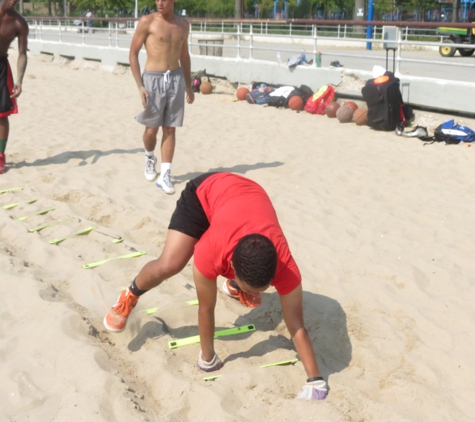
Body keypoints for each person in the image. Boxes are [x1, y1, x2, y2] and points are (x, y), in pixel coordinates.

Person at [103, 172, 329, 400]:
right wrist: (207, 359)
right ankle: (130, 295)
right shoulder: (210, 252)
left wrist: (315, 379)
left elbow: (297, 325)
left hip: (247, 195)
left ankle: (236, 287)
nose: (255, 295)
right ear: (230, 266)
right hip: (205, 193)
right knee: (170, 264)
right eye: (248, 287)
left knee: (251, 285)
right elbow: (206, 309)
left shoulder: (286, 265)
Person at [129, 0, 194, 195]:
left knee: (170, 128)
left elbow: (184, 55)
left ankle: (165, 174)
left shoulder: (183, 25)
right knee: (151, 130)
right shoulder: (147, 21)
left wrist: (189, 84)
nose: (159, 2)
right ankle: (150, 157)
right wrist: (140, 85)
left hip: (175, 78)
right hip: (152, 79)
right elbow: (133, 53)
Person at [0, 0, 28, 174]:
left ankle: (0, 156)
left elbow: (23, 53)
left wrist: (19, 80)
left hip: (1, 67)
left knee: (1, 115)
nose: (13, 1)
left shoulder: (19, 23)